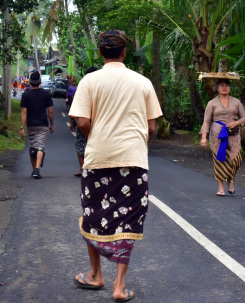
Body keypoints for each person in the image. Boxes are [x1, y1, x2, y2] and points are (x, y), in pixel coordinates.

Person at [69, 29, 162, 302]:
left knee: (93, 214)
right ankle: (119, 286)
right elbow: (151, 126)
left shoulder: (89, 81)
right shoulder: (142, 82)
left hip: (98, 158)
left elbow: (82, 122)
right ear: (124, 53)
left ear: (100, 53)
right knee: (129, 219)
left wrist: (98, 137)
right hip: (133, 160)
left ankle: (96, 274)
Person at [200, 78, 245, 196]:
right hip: (217, 136)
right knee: (219, 160)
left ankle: (230, 180)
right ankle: (221, 187)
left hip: (233, 135)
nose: (224, 87)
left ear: (230, 88)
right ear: (218, 88)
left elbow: (244, 118)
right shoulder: (212, 103)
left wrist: (236, 123)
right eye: (221, 85)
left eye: (226, 85)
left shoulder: (236, 102)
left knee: (236, 160)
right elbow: (206, 121)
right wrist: (204, 137)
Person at [19, 71, 54, 179]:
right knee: (40, 147)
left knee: (33, 148)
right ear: (40, 82)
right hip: (42, 124)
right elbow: (50, 111)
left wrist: (22, 127)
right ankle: (37, 170)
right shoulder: (46, 94)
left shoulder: (26, 95)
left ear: (30, 82)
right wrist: (52, 124)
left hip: (31, 125)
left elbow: (24, 111)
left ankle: (34, 169)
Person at [70, 67, 97, 177]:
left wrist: (72, 121)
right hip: (96, 124)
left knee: (81, 147)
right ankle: (85, 168)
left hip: (87, 123)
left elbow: (75, 107)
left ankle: (83, 168)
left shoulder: (84, 87)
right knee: (84, 146)